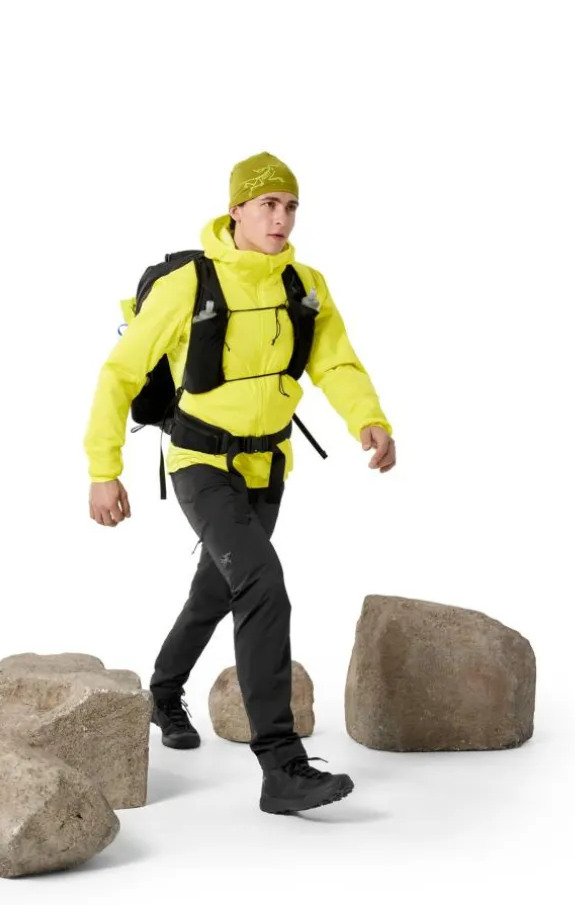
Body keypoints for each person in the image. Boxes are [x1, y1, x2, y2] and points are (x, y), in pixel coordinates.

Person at [84, 152, 396, 814]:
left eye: (290, 206)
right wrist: (103, 470)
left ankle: (162, 692)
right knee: (261, 583)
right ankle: (281, 767)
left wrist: (368, 419)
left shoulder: (304, 284)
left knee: (218, 589)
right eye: (267, 205)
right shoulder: (188, 285)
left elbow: (335, 361)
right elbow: (119, 374)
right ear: (237, 211)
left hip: (268, 464)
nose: (281, 218)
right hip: (200, 463)